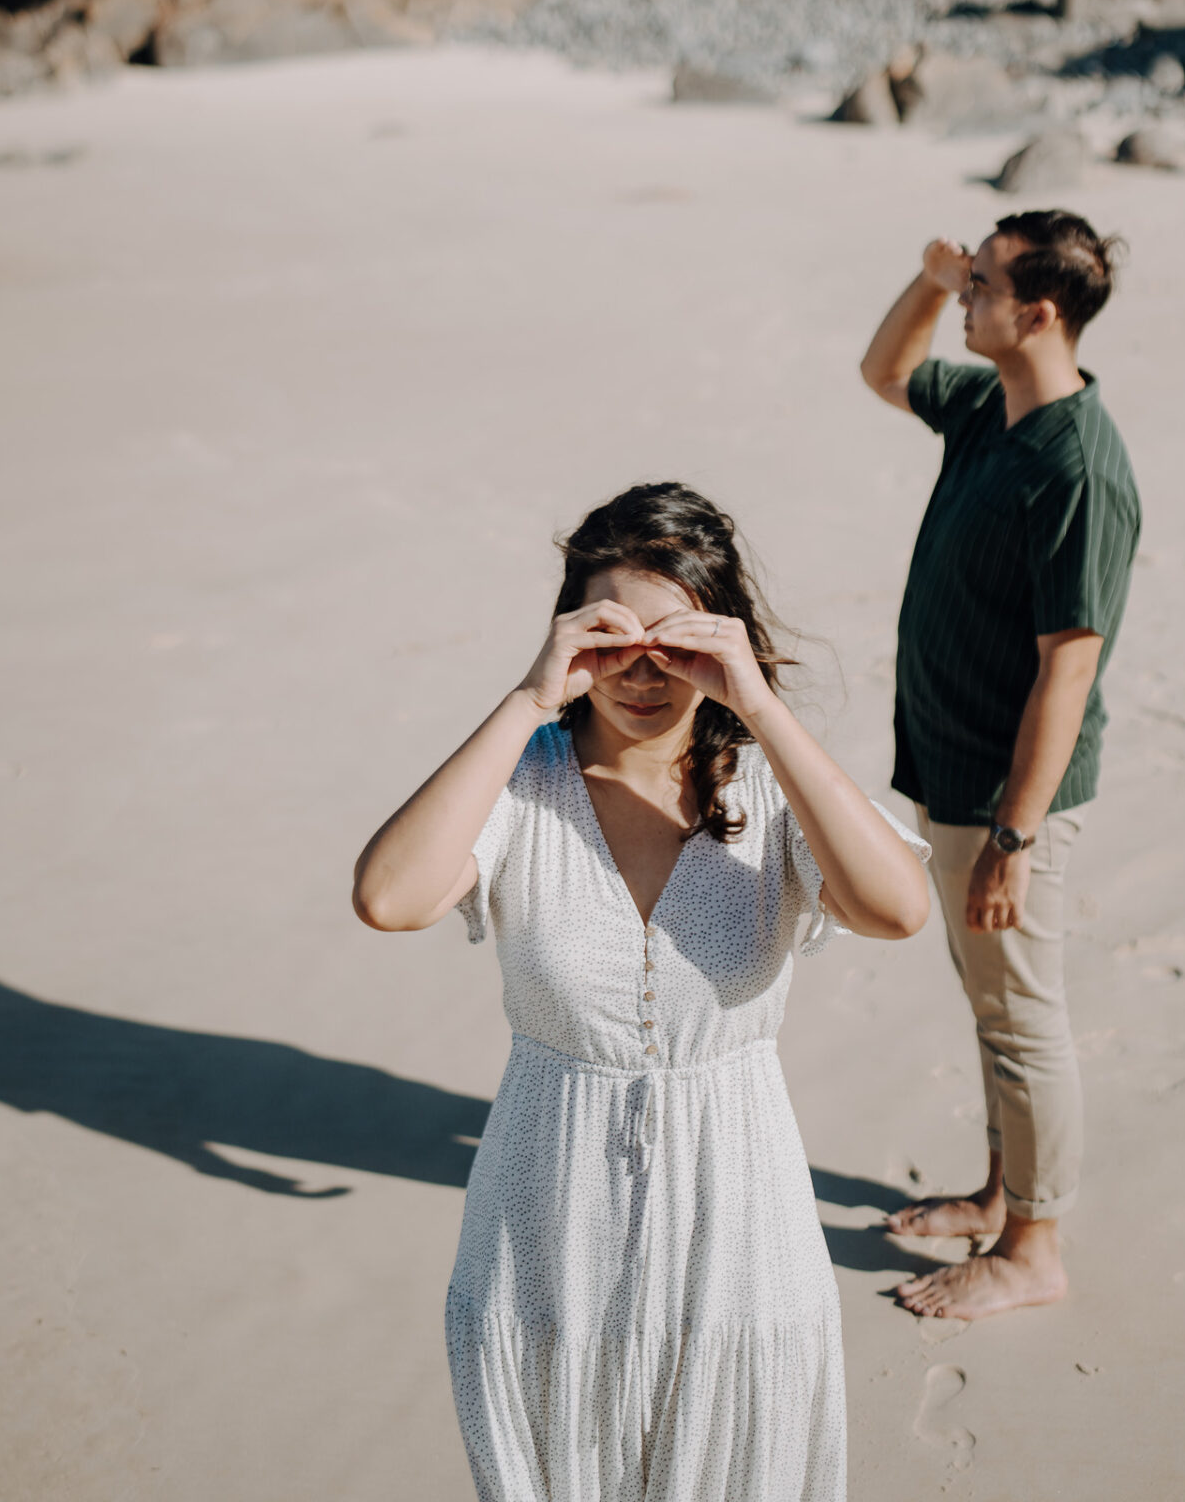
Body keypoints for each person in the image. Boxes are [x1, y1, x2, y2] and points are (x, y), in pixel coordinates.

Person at [353, 482, 931, 1502]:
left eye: (676, 639)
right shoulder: (521, 782)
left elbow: (896, 907)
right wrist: (530, 698)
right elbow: (389, 897)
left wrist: (756, 705)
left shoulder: (766, 786)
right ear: (568, 635)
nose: (643, 670)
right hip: (550, 1225)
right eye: (611, 637)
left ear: (725, 637)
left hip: (739, 1225)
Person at [859, 210, 1140, 1321]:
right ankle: (997, 1194)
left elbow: (1067, 671)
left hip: (1007, 796)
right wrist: (927, 284)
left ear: (1037, 311)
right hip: (951, 765)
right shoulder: (988, 407)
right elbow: (883, 371)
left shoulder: (1078, 468)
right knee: (991, 1007)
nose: (964, 294)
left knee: (1023, 1015)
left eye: (980, 284)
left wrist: (1016, 838)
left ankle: (1034, 1248)